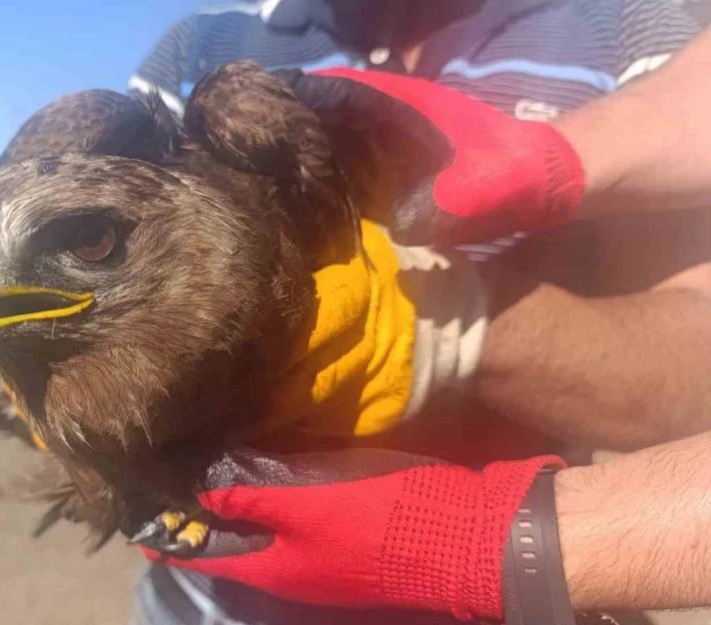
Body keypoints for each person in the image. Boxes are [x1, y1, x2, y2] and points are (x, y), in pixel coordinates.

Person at [129, 2, 711, 623]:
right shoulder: (200, 45)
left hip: (510, 602)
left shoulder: (629, 21)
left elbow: (696, 371)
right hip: (206, 603)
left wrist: (442, 324)